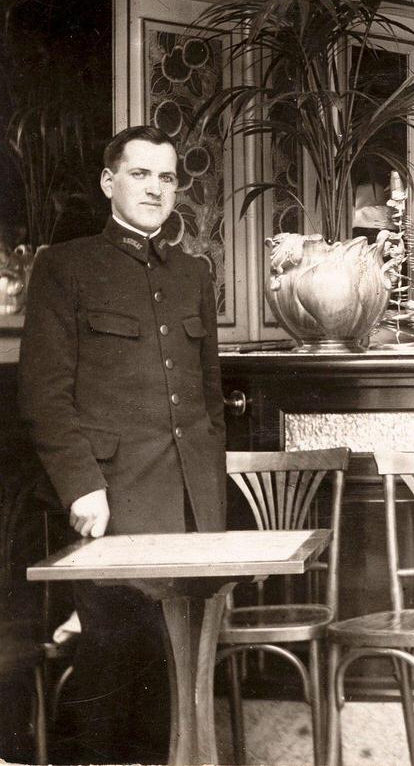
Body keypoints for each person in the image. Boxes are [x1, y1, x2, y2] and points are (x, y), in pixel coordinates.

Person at [17, 125, 227, 764]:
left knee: (181, 673)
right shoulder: (66, 266)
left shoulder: (192, 273)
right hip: (112, 503)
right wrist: (82, 484)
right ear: (110, 183)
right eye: (141, 174)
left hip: (193, 505)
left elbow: (209, 401)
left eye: (167, 177)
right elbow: (45, 395)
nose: (156, 189)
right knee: (112, 666)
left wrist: (210, 497)